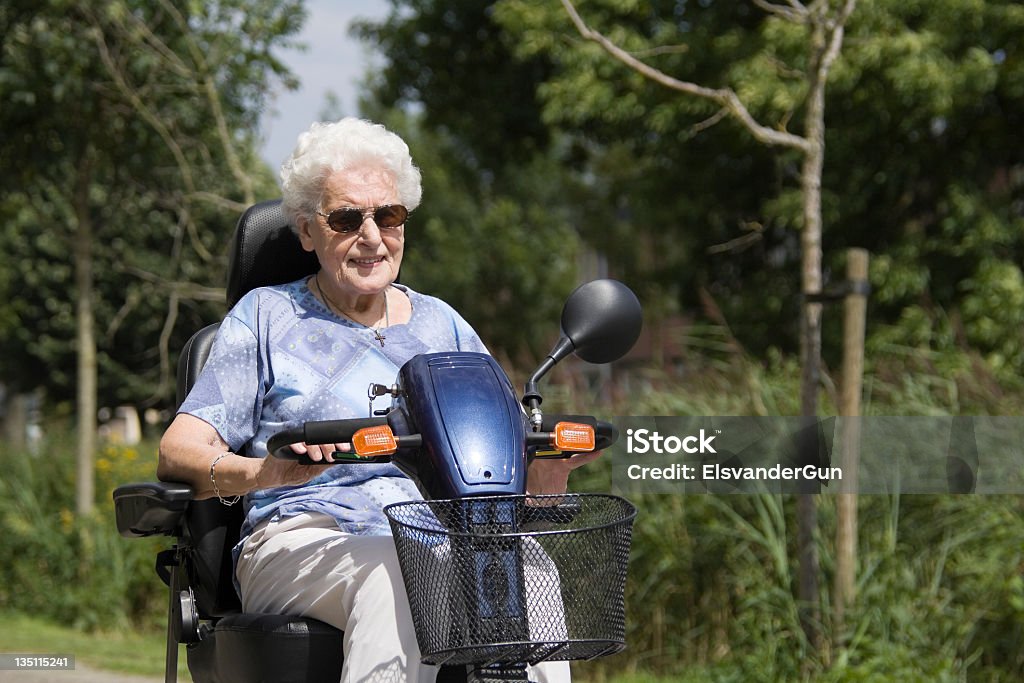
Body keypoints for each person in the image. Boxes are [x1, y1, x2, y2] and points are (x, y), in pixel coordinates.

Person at [157, 117, 599, 683]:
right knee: (400, 572)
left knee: (529, 573)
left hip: (444, 538)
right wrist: (263, 473)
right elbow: (179, 450)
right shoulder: (265, 317)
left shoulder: (446, 326)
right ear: (307, 232)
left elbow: (507, 483)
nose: (372, 236)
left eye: (387, 216)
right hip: (304, 535)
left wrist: (551, 472)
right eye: (346, 218)